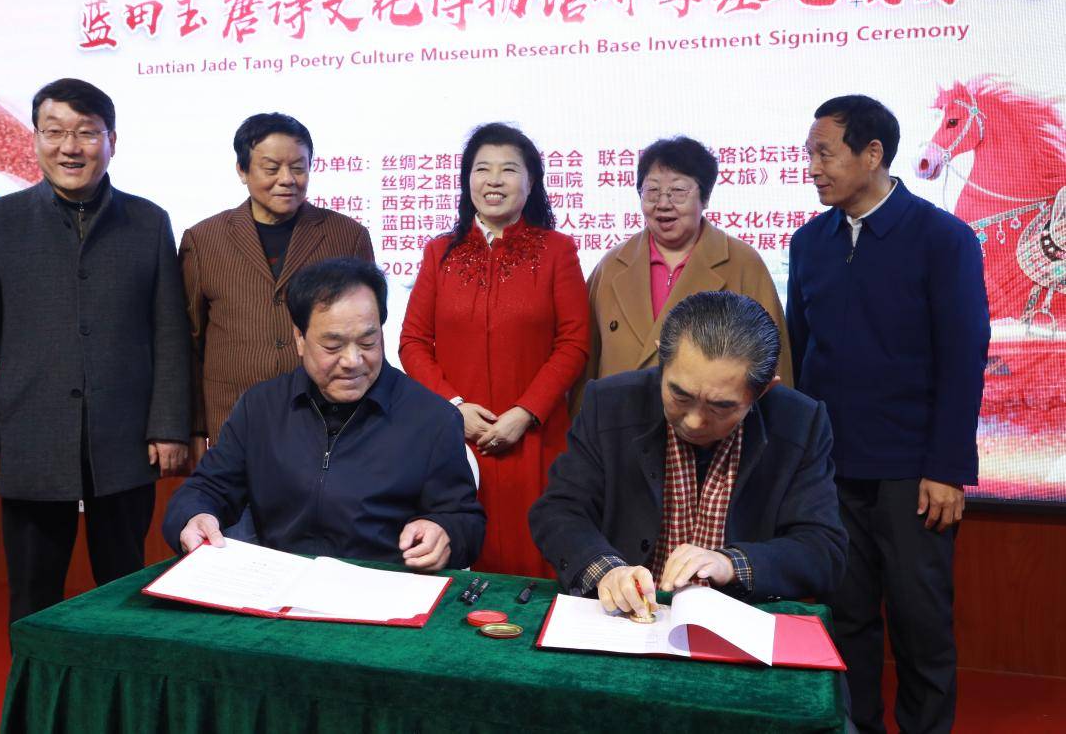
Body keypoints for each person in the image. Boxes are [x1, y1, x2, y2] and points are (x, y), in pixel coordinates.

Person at [788, 95, 989, 733]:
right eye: (809, 154)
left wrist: (947, 467)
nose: (813, 168)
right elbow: (799, 353)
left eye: (825, 154)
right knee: (844, 620)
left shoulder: (943, 239)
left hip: (913, 474)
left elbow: (964, 359)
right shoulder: (809, 242)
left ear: (872, 154)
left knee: (920, 623)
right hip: (831, 471)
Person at [0, 78, 189, 624]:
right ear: (36, 139)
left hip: (125, 442)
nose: (70, 147)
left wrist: (168, 427)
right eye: (55, 132)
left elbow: (170, 335)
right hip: (31, 441)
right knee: (33, 595)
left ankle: (117, 678)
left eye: (86, 133)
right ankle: (36, 682)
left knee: (125, 590)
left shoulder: (148, 222)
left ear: (111, 141)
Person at [530, 291, 845, 613]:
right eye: (680, 396)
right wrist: (607, 570)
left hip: (738, 617)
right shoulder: (611, 404)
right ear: (661, 361)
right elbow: (559, 510)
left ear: (763, 391)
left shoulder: (799, 423)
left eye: (721, 406)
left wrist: (730, 563)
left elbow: (823, 550)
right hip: (627, 615)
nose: (694, 422)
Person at [164, 258, 484, 571]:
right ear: (300, 339)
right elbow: (207, 488)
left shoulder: (432, 418)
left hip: (382, 588)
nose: (353, 361)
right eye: (333, 346)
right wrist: (194, 516)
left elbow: (464, 520)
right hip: (278, 586)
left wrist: (445, 533)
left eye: (368, 342)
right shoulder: (261, 407)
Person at [399, 122, 589, 577]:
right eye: (482, 169)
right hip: (456, 440)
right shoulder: (439, 253)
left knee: (538, 564)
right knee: (458, 560)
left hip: (535, 439)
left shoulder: (557, 251)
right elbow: (412, 342)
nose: (494, 181)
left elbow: (574, 342)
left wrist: (526, 413)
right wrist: (453, 408)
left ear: (531, 181)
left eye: (509, 169)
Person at [180, 113, 373, 461]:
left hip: (329, 423)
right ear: (242, 170)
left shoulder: (348, 236)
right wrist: (194, 428)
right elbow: (190, 341)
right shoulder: (204, 240)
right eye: (271, 168)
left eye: (298, 168)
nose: (287, 179)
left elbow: (368, 332)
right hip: (233, 422)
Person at [572, 136, 791, 413]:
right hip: (620, 423)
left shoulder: (743, 263)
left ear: (705, 197)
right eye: (652, 191)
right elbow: (585, 363)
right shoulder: (611, 265)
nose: (663, 204)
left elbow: (773, 363)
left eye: (678, 191)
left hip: (710, 423)